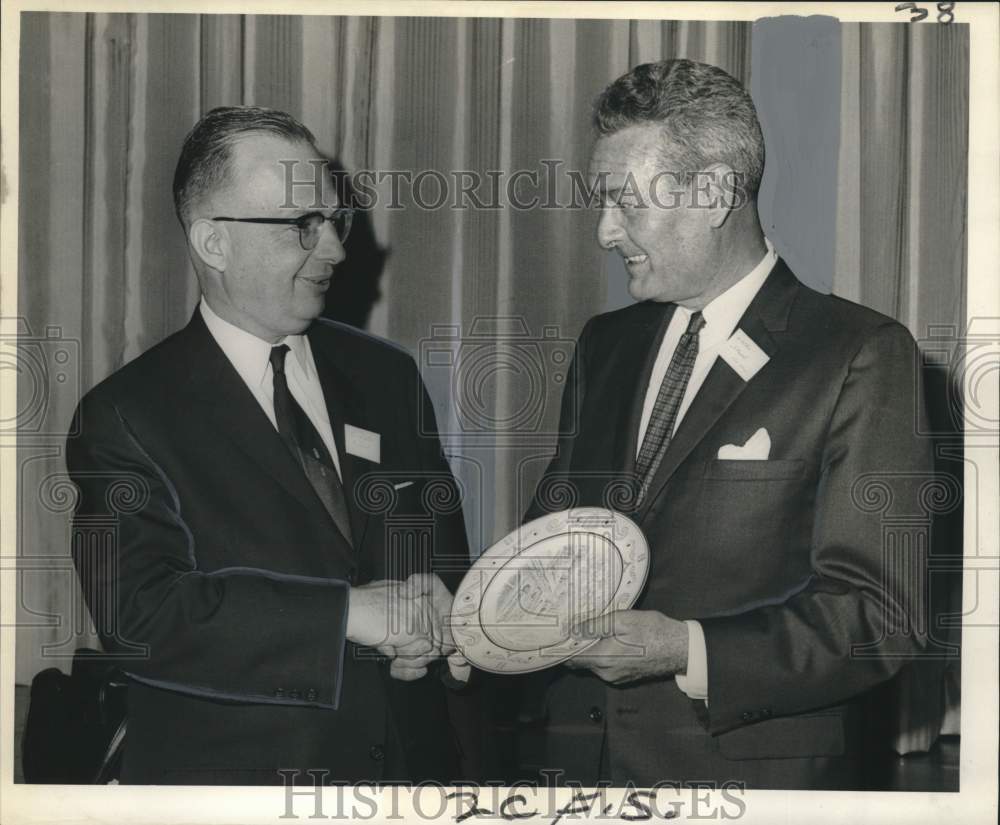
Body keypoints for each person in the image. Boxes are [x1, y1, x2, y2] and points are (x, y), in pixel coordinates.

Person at [523, 59, 933, 790]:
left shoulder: (858, 354)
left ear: (713, 192)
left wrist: (687, 649)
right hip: (574, 772)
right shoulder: (603, 345)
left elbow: (880, 615)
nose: (604, 231)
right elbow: (552, 541)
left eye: (624, 202)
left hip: (743, 782)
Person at [66, 106, 470, 785]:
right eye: (302, 225)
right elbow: (139, 616)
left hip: (406, 779)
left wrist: (449, 627)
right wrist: (349, 613)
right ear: (213, 243)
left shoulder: (386, 376)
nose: (337, 250)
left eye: (334, 222)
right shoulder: (125, 414)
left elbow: (443, 555)